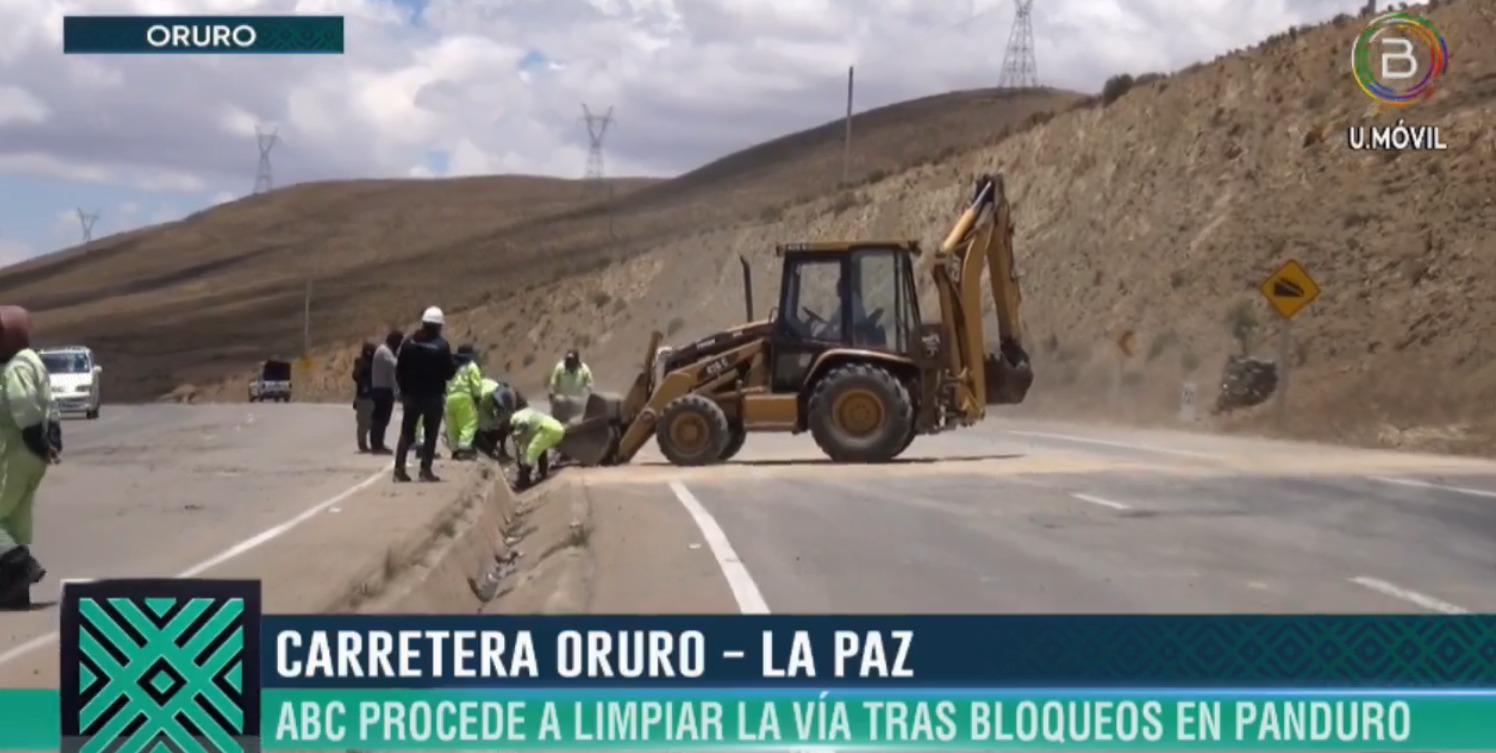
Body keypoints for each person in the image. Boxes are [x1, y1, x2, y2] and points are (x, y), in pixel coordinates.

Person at [0, 307, 56, 610]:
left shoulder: (15, 369)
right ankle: (14, 592)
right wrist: (50, 442)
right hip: (31, 455)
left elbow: (23, 404)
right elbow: (49, 404)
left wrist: (36, 439)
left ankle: (22, 566)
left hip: (14, 452)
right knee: (13, 521)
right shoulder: (33, 362)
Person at [394, 307, 456, 483]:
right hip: (432, 396)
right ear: (438, 326)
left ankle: (399, 470)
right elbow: (449, 373)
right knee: (430, 434)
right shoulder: (441, 346)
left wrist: (404, 390)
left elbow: (400, 370)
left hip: (411, 396)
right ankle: (425, 471)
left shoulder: (408, 343)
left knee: (407, 432)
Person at [508, 406, 564, 489]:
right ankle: (542, 473)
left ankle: (524, 481)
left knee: (532, 450)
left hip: (547, 429)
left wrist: (524, 464)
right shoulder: (522, 415)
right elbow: (524, 443)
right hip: (555, 427)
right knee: (539, 448)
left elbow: (524, 427)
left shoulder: (518, 420)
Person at [444, 345, 484, 461]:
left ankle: (455, 450)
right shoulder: (471, 366)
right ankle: (465, 449)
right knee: (469, 424)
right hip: (465, 397)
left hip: (449, 398)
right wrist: (477, 398)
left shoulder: (451, 365)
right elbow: (476, 385)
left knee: (453, 426)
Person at [368, 330, 401, 454]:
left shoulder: (385, 351)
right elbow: (396, 365)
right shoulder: (384, 351)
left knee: (381, 418)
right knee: (380, 418)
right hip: (382, 389)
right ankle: (377, 445)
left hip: (383, 388)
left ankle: (378, 443)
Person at [474, 378, 521, 460]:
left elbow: (503, 416)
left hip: (485, 398)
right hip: (472, 402)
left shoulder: (500, 391)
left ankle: (496, 449)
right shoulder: (484, 398)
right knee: (481, 430)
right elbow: (483, 421)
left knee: (501, 425)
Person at [547, 349, 593, 421]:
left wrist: (587, 391)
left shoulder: (584, 369)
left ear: (577, 361)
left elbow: (589, 383)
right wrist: (551, 392)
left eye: (572, 361)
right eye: (568, 361)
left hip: (578, 402)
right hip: (563, 402)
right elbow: (553, 383)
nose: (570, 363)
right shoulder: (560, 368)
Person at [352, 342, 376, 452]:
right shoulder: (363, 364)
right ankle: (362, 444)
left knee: (367, 422)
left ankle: (365, 444)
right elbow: (356, 376)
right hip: (364, 396)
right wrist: (364, 386)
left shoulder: (370, 363)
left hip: (368, 395)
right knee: (363, 422)